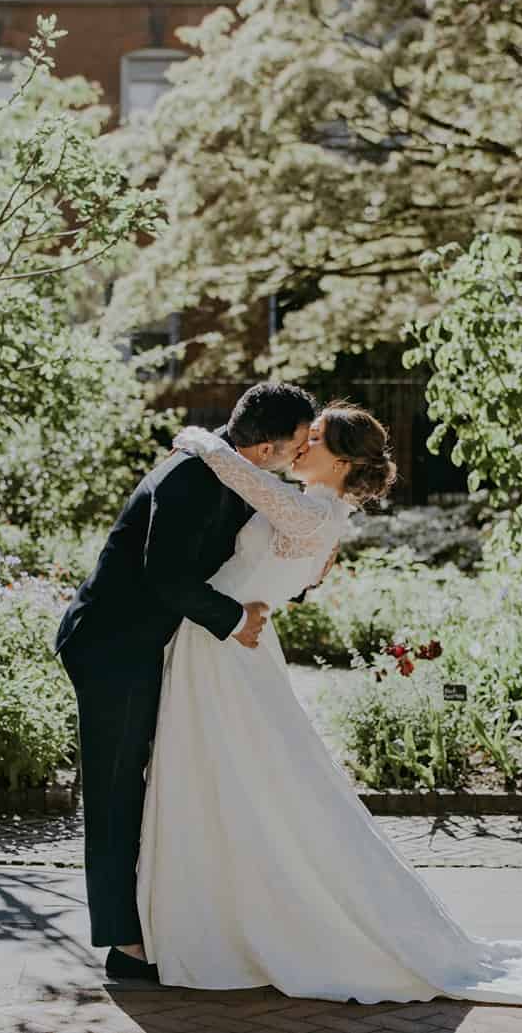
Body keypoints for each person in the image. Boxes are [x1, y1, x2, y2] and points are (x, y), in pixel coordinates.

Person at [135, 404, 522, 1007]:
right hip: (229, 645)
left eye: (314, 440)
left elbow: (234, 470)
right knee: (239, 783)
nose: (300, 446)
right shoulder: (323, 513)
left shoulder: (308, 512)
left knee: (234, 783)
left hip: (225, 650)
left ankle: (229, 925)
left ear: (341, 460)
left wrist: (200, 437)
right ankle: (219, 914)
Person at [55, 382, 318, 981]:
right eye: (298, 444)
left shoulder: (229, 469)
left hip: (150, 645)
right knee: (117, 789)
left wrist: (300, 577)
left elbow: (250, 552)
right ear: (267, 447)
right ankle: (124, 944)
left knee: (157, 784)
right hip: (112, 648)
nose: (301, 455)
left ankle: (155, 915)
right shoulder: (190, 480)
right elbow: (165, 577)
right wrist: (236, 621)